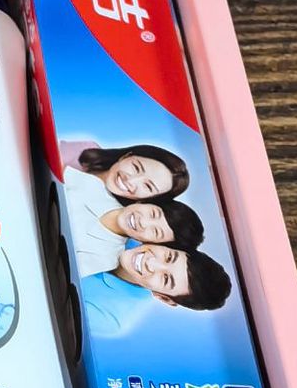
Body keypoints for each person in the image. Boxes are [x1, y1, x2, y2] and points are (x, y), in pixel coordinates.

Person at [64, 173, 204, 280]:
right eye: (153, 213)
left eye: (155, 232)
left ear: (150, 243)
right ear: (145, 202)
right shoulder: (96, 185)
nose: (143, 222)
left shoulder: (107, 259)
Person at [81, 242, 232, 334]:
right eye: (169, 257)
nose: (151, 262)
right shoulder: (134, 222)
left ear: (163, 298)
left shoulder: (112, 318)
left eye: (166, 279)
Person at [61, 139, 190, 203]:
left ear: (149, 199)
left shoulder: (114, 217)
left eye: (148, 186)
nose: (131, 180)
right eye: (136, 167)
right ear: (126, 156)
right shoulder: (86, 150)